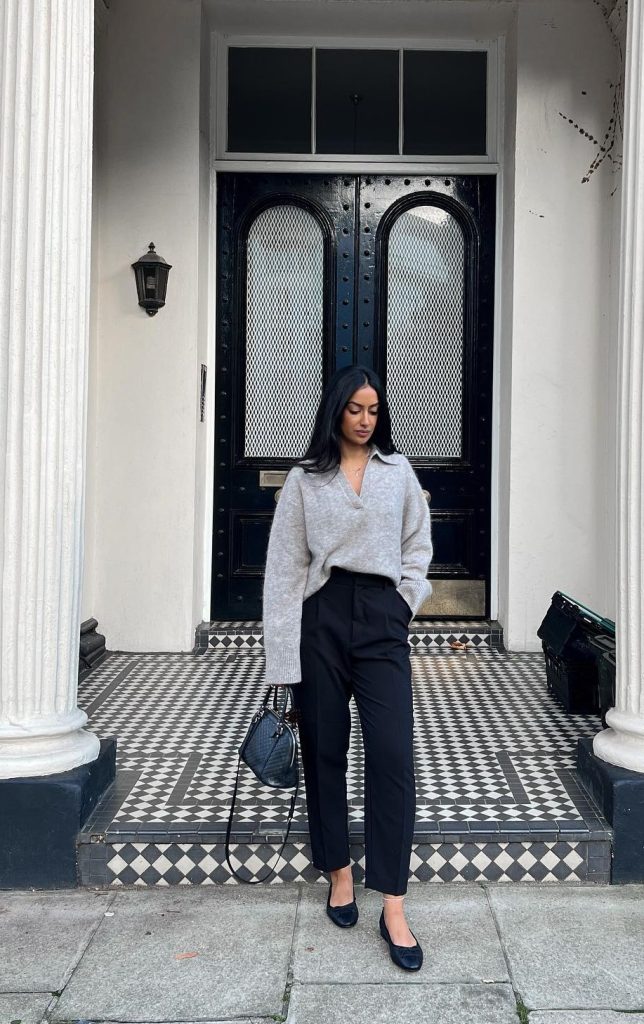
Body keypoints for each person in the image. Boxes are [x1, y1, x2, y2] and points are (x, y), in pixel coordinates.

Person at [262, 364, 433, 972]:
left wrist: (404, 601)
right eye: (355, 409)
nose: (365, 420)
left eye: (374, 411)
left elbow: (418, 544)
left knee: (392, 755)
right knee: (325, 751)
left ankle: (393, 901)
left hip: (382, 620)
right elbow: (284, 569)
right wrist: (282, 657)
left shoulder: (399, 473)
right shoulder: (307, 481)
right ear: (336, 410)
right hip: (322, 620)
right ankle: (338, 870)